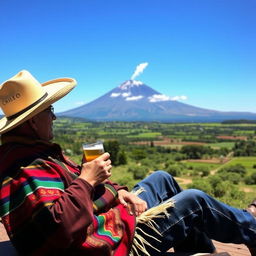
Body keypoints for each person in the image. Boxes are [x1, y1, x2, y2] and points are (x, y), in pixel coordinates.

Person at [0, 70, 256, 256]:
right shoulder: (26, 166)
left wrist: (120, 192)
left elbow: (68, 193)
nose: (54, 117)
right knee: (194, 202)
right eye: (49, 111)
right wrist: (87, 179)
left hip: (104, 220)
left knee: (161, 178)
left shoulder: (34, 154)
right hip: (105, 243)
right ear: (33, 121)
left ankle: (200, 251)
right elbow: (58, 227)